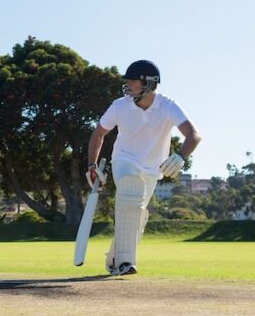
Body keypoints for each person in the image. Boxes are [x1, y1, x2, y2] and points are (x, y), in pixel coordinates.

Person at [86, 60, 202, 275]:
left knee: (136, 215)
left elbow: (194, 135)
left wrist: (180, 156)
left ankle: (114, 260)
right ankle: (126, 263)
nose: (128, 85)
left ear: (149, 83)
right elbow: (98, 133)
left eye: (133, 81)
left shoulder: (167, 106)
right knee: (131, 194)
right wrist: (92, 165)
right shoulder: (119, 106)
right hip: (124, 160)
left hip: (151, 169)